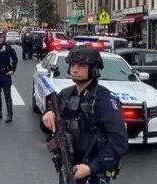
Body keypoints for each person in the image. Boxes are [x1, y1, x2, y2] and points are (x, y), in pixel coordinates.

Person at [40, 46, 129, 184]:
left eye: (81, 66)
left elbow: (119, 142)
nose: (75, 69)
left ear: (93, 69)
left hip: (92, 173)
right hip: (68, 168)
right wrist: (46, 116)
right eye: (72, 65)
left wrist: (91, 167)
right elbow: (49, 127)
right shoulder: (65, 95)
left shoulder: (104, 100)